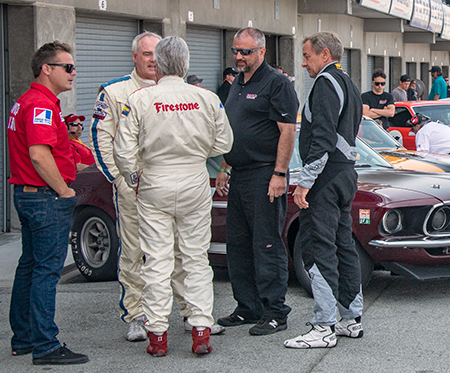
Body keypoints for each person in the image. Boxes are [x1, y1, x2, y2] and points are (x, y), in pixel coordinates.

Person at [114, 36, 234, 356]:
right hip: (195, 179)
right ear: (186, 64)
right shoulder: (206, 98)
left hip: (154, 180)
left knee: (156, 259)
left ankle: (157, 337)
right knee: (195, 258)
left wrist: (134, 176)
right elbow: (224, 141)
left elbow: (123, 150)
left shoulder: (140, 98)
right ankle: (200, 331)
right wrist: (198, 153)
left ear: (159, 64)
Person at [92, 31, 206, 343]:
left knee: (183, 252)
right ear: (134, 56)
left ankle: (189, 312)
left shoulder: (181, 93)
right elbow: (102, 139)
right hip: (134, 189)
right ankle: (138, 315)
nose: (152, 60)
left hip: (175, 185)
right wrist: (122, 179)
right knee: (135, 253)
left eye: (157, 54)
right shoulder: (116, 93)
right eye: (146, 54)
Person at [7, 41, 89, 365]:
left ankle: (25, 337)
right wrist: (64, 191)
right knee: (45, 271)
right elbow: (39, 155)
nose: (73, 73)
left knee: (29, 267)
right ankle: (45, 345)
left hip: (29, 195)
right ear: (47, 69)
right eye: (67, 67)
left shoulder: (28, 102)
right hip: (44, 197)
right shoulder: (40, 105)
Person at [216, 27, 298, 336]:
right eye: (236, 50)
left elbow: (287, 132)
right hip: (239, 174)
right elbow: (231, 131)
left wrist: (279, 174)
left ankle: (275, 311)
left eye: (245, 52)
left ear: (261, 52)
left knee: (266, 243)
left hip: (265, 174)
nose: (238, 56)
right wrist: (224, 167)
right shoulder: (237, 82)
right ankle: (247, 307)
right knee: (237, 244)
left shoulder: (276, 84)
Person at [285, 32, 364, 349]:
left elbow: (323, 136)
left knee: (319, 248)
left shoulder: (325, 84)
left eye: (307, 56)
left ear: (325, 54)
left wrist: (305, 180)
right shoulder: (348, 82)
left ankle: (324, 326)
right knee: (344, 245)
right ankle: (350, 320)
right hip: (345, 175)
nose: (303, 64)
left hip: (327, 178)